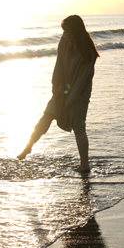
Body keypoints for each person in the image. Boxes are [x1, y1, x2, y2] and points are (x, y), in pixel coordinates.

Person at [17, 15, 99, 172]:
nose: (65, 34)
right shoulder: (64, 41)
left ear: (75, 31)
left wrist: (71, 99)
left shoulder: (88, 53)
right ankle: (28, 147)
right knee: (47, 116)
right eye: (64, 31)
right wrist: (56, 86)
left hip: (79, 96)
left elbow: (81, 81)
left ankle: (84, 165)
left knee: (79, 128)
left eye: (67, 32)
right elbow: (59, 63)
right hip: (63, 89)